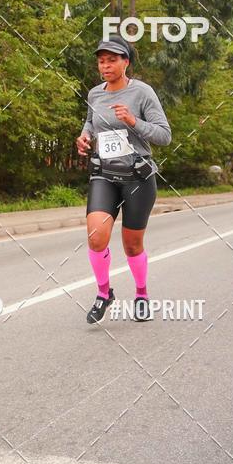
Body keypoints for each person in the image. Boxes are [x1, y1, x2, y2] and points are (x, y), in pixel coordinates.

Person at [75, 35, 171, 324]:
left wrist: (133, 121)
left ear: (125, 62)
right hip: (104, 174)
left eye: (112, 60)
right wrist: (85, 136)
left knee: (132, 245)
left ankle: (141, 294)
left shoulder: (142, 93)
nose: (105, 66)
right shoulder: (95, 94)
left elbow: (164, 135)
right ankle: (104, 293)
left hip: (137, 178)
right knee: (96, 237)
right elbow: (91, 122)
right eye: (101, 61)